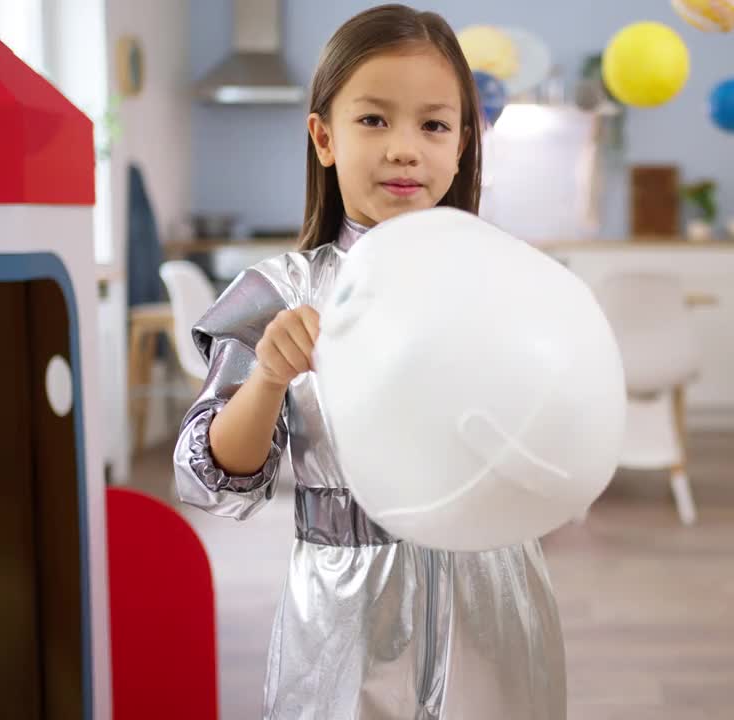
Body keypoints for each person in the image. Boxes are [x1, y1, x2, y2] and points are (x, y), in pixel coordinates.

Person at [172, 5, 566, 718]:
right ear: (324, 137)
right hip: (346, 613)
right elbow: (209, 481)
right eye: (374, 120)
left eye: (434, 125)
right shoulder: (280, 292)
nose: (405, 149)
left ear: (463, 144)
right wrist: (267, 376)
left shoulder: (508, 281)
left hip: (494, 593)